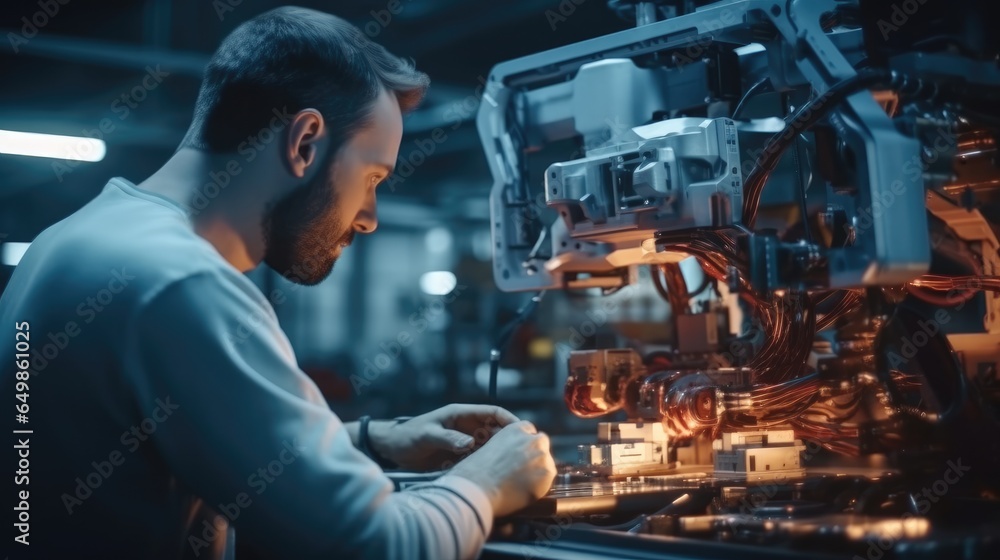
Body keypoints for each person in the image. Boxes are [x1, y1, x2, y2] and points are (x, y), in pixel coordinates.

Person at [0, 6, 556, 559]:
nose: (370, 217)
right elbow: (379, 548)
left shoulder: (75, 240)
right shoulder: (180, 282)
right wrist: (485, 482)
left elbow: (178, 438)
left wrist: (371, 439)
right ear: (304, 142)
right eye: (372, 178)